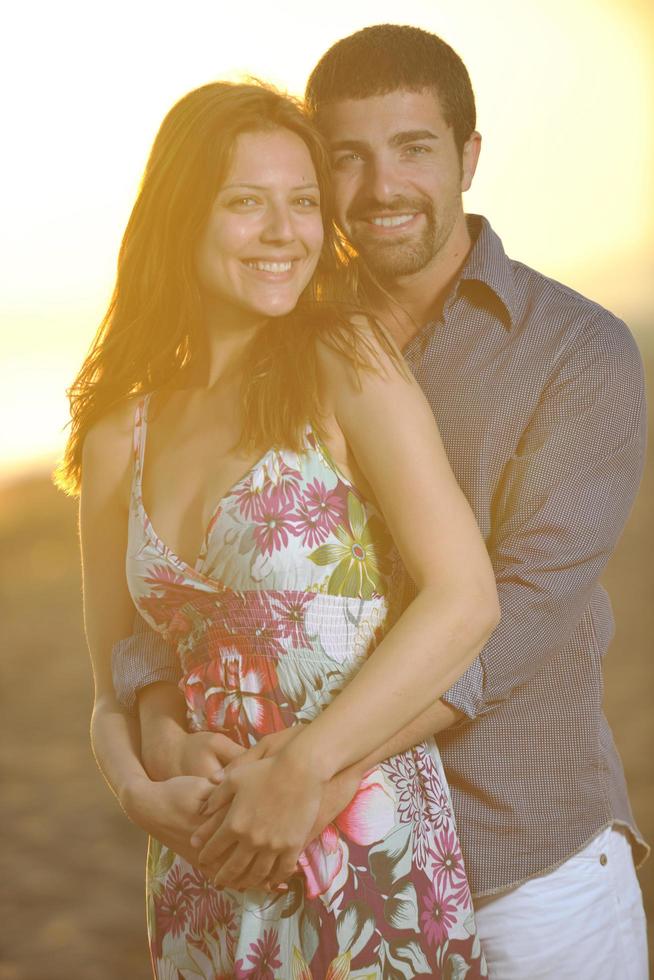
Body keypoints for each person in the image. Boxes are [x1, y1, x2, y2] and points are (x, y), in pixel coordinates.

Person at [118, 24, 650, 979]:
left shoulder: (578, 352)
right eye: (347, 160)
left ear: (469, 158)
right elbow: (181, 608)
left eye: (414, 149)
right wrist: (160, 746)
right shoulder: (285, 331)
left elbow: (514, 614)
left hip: (521, 863)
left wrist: (313, 765)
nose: (381, 188)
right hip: (294, 862)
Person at [57, 80, 500, 977]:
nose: (284, 233)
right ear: (181, 218)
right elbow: (113, 683)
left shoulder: (343, 359)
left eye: (303, 203)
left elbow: (466, 598)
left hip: (360, 837)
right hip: (205, 866)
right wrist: (143, 791)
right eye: (246, 203)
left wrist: (305, 769)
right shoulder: (118, 435)